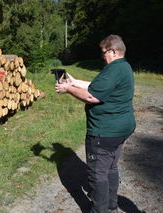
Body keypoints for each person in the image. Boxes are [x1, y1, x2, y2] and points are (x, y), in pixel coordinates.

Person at [55, 34, 136, 213]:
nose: (102, 57)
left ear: (113, 51)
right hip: (121, 129)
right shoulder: (123, 67)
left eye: (103, 53)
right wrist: (74, 82)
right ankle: (111, 206)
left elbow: (93, 96)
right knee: (111, 168)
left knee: (98, 174)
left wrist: (67, 89)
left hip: (105, 132)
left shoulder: (114, 68)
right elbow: (97, 85)